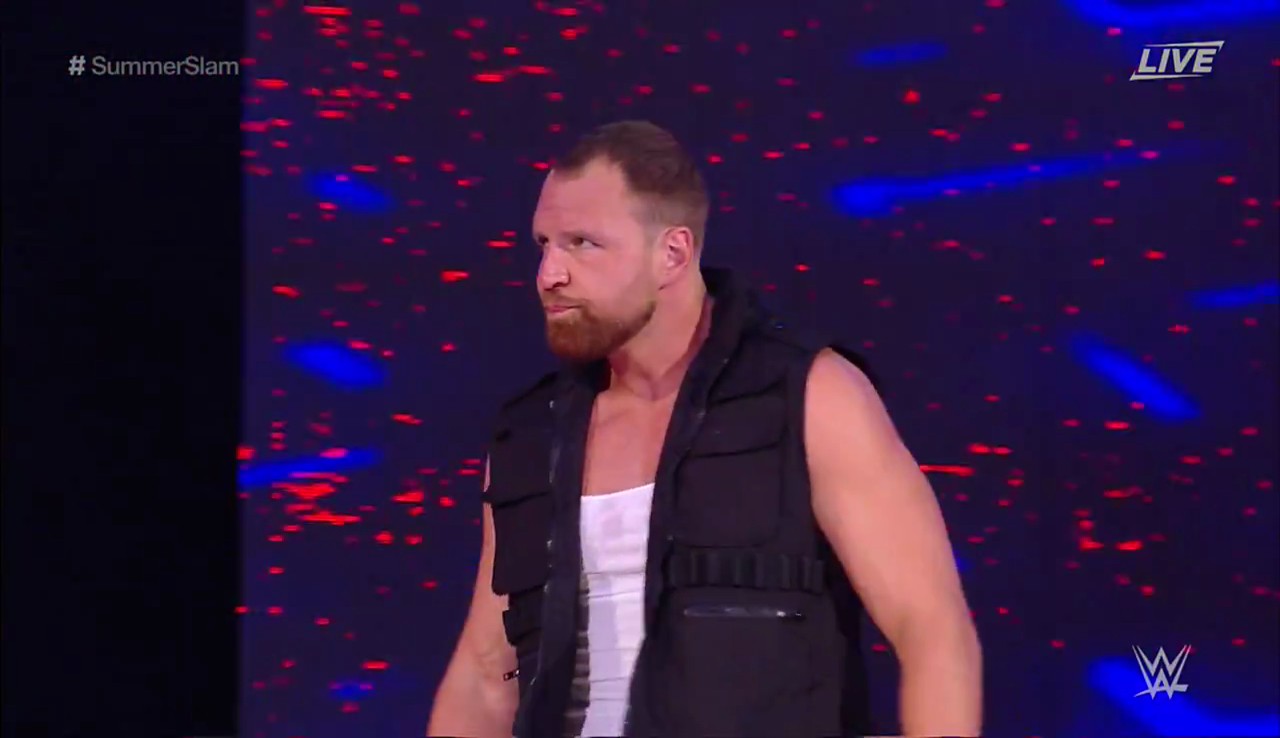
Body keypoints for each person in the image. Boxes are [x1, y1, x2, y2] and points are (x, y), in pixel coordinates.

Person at [427, 120, 982, 738]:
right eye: (544, 244)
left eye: (582, 243)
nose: (549, 273)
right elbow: (486, 674)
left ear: (673, 253)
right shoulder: (532, 435)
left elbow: (932, 632)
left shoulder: (810, 395)